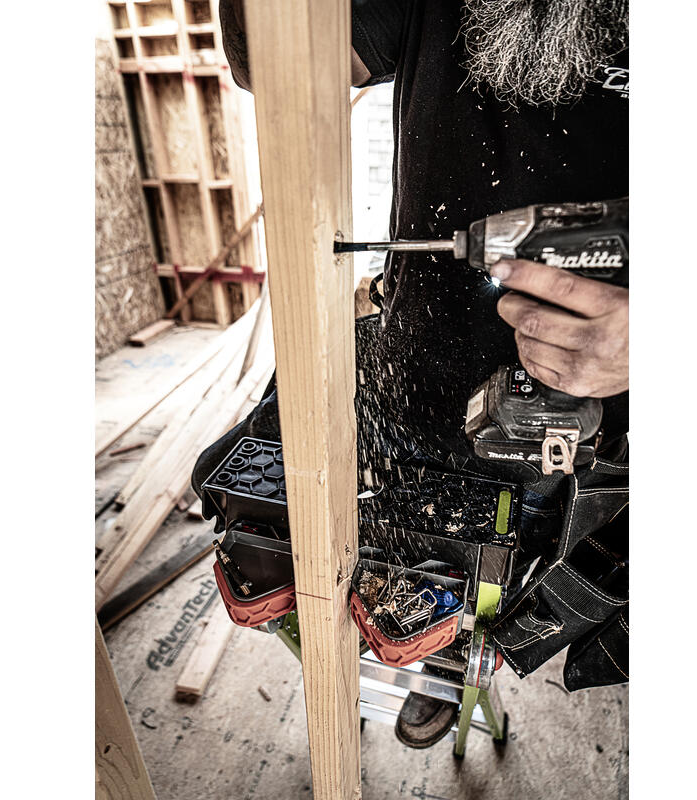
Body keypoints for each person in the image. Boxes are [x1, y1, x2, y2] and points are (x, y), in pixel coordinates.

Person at [194, 0, 629, 749]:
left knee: (481, 579)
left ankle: (449, 654)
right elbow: (278, 57)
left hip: (571, 411)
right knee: (249, 481)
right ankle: (422, 628)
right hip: (411, 349)